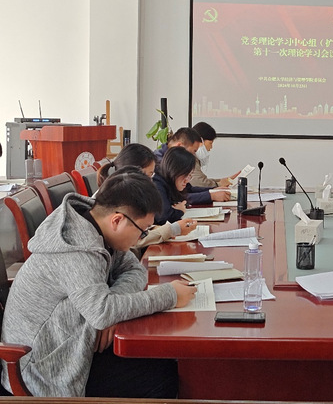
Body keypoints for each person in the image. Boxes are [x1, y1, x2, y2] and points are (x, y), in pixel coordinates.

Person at [0, 167, 197, 397]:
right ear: (117, 220)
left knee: (163, 361)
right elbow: (102, 312)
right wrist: (169, 295)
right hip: (43, 370)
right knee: (163, 376)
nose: (141, 238)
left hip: (73, 343)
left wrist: (112, 307)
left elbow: (134, 270)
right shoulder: (75, 249)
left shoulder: (98, 229)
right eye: (142, 231)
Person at [97, 143, 195, 247]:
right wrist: (172, 230)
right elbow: (133, 243)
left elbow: (142, 229)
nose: (151, 181)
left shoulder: (125, 192)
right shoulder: (117, 199)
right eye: (148, 175)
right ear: (132, 173)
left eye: (152, 175)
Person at [154, 127, 231, 202]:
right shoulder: (159, 164)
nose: (193, 156)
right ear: (180, 146)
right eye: (193, 151)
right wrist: (211, 196)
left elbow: (188, 189)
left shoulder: (174, 160)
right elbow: (176, 197)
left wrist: (212, 190)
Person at [153, 146, 218, 224]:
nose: (187, 180)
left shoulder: (173, 180)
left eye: (190, 175)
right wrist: (180, 211)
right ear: (174, 170)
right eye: (186, 174)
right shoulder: (158, 184)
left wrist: (213, 189)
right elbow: (163, 217)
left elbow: (189, 189)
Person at [191, 121, 240, 188]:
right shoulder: (189, 158)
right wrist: (219, 184)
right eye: (210, 143)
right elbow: (199, 182)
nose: (211, 147)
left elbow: (202, 180)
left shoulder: (193, 158)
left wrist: (225, 180)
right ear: (200, 141)